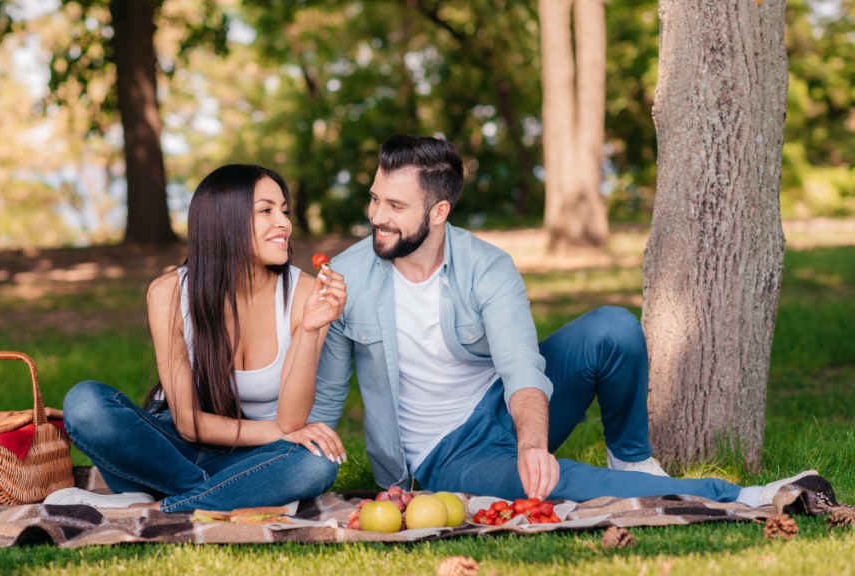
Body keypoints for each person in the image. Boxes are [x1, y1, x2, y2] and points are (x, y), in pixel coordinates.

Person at [308, 134, 813, 506]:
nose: (377, 215)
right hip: (447, 455)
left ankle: (632, 458)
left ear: (439, 212)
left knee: (613, 328)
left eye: (396, 205)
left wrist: (531, 443)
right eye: (375, 197)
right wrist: (309, 480)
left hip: (503, 407)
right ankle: (741, 496)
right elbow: (328, 397)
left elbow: (523, 368)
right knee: (554, 483)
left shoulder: (487, 266)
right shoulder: (346, 277)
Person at [48, 164, 349, 512]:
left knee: (318, 463)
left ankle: (157, 506)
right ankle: (226, 496)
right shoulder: (168, 293)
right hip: (168, 450)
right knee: (84, 403)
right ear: (224, 221)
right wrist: (280, 435)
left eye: (284, 210)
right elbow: (189, 425)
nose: (284, 222)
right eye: (266, 210)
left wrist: (311, 329)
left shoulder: (308, 295)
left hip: (252, 456)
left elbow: (292, 423)